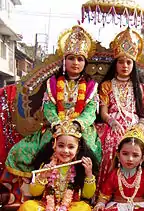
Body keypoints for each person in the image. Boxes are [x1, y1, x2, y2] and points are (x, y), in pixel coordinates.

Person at [1, 26, 101, 199]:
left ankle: (84, 193)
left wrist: (78, 123)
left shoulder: (91, 86)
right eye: (71, 58)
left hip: (82, 129)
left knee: (93, 152)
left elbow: (91, 110)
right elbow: (48, 107)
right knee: (23, 149)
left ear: (85, 63)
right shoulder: (53, 83)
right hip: (56, 127)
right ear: (64, 61)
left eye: (79, 59)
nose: (75, 63)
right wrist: (56, 123)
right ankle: (26, 193)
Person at [15, 119, 99, 211]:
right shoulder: (47, 164)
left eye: (71, 147)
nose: (65, 151)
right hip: (45, 207)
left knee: (85, 210)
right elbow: (34, 193)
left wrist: (89, 173)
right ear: (54, 145)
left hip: (70, 208)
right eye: (61, 146)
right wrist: (43, 176)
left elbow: (88, 195)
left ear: (78, 147)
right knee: (27, 208)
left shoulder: (80, 166)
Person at [97, 27, 144, 189]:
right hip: (112, 124)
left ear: (133, 65)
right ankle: (107, 190)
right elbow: (103, 112)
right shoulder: (106, 86)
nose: (124, 66)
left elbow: (143, 113)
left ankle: (143, 191)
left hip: (135, 125)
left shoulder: (140, 88)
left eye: (128, 62)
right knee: (111, 144)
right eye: (120, 62)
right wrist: (112, 122)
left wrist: (140, 125)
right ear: (115, 64)